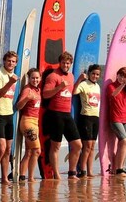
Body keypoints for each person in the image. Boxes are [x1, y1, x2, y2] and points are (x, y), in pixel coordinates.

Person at [41, 51, 83, 180]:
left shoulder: (70, 76)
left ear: (70, 64)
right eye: (64, 62)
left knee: (77, 145)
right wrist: (59, 87)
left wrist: (79, 80)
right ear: (60, 63)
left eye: (68, 63)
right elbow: (45, 94)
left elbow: (71, 92)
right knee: (56, 146)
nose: (66, 65)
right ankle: (57, 175)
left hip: (67, 114)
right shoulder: (53, 76)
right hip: (55, 114)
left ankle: (71, 173)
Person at [0, 51, 19, 184]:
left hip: (9, 115)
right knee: (0, 148)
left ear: (16, 63)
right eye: (9, 61)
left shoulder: (14, 76)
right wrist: (9, 83)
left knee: (7, 149)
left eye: (13, 61)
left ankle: (5, 178)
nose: (11, 63)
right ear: (4, 61)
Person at [73, 64, 101, 178]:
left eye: (97, 74)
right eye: (93, 73)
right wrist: (79, 79)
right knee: (87, 145)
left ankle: (90, 171)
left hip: (96, 117)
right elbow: (74, 92)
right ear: (89, 73)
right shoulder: (84, 84)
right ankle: (82, 170)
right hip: (86, 117)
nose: (95, 76)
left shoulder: (97, 86)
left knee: (93, 145)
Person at [105, 66, 126, 176]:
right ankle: (119, 169)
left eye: (125, 76)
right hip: (115, 118)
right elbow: (113, 95)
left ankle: (116, 168)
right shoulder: (111, 86)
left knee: (123, 144)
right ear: (117, 75)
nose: (122, 78)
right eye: (121, 75)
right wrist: (122, 84)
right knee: (125, 142)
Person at [15, 68, 41, 182]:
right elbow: (19, 106)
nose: (35, 80)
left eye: (37, 78)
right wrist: (26, 98)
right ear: (29, 79)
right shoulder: (27, 90)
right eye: (33, 78)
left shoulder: (37, 90)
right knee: (37, 150)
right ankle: (30, 177)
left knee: (30, 151)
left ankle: (21, 175)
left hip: (35, 122)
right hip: (27, 121)